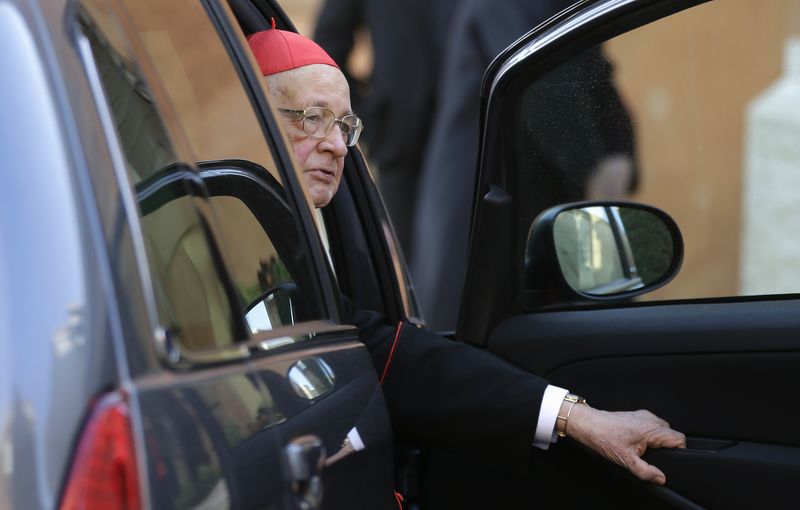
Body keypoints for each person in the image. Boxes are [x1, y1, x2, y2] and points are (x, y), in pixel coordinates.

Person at [246, 26, 684, 495]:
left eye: (345, 125)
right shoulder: (222, 232)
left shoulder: (287, 238)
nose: (337, 144)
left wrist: (577, 418)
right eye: (313, 118)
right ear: (256, 122)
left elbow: (391, 356)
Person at [412, 0, 639, 332]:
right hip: (484, 204)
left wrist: (620, 151)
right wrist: (595, 167)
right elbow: (541, 83)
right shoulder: (505, 6)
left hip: (531, 205)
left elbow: (596, 74)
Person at [313, 0, 458, 254]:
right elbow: (327, 47)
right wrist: (370, 118)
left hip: (475, 136)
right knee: (421, 273)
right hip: (403, 153)